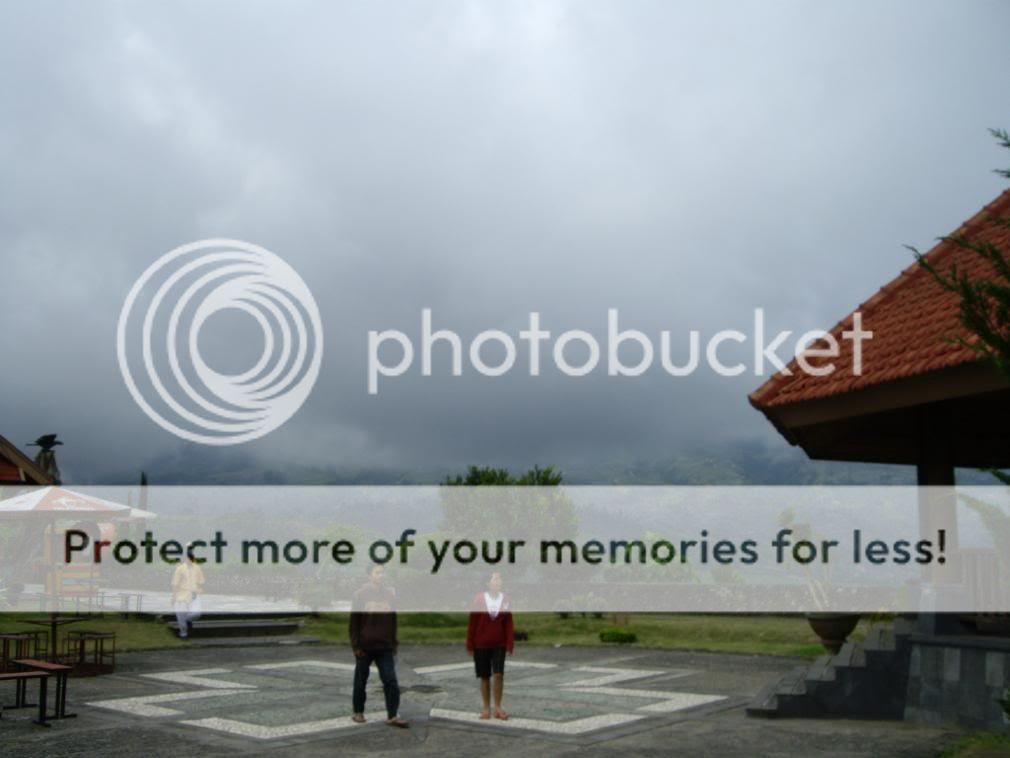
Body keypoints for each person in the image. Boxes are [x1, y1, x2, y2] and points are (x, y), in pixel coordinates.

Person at [349, 563, 408, 727]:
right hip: (364, 646)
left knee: (391, 680)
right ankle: (358, 712)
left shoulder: (390, 594)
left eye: (382, 572)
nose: (381, 575)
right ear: (369, 575)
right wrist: (356, 646)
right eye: (377, 572)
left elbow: (393, 620)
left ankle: (392, 715)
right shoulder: (360, 595)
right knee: (361, 680)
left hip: (385, 646)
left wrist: (394, 643)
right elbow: (354, 623)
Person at [466, 571, 514, 720]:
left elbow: (508, 623)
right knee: (485, 676)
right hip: (481, 644)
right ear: (488, 583)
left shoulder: (506, 599)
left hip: (499, 643)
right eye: (495, 579)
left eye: (500, 579)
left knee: (499, 674)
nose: (498, 581)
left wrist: (510, 643)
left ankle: (498, 707)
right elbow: (473, 622)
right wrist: (470, 643)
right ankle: (486, 708)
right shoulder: (479, 599)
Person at [171, 544, 204, 639]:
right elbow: (175, 584)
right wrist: (174, 597)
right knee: (181, 615)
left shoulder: (197, 568)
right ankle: (183, 633)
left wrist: (199, 590)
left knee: (196, 614)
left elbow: (200, 582)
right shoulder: (179, 569)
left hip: (194, 594)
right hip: (181, 596)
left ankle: (187, 620)